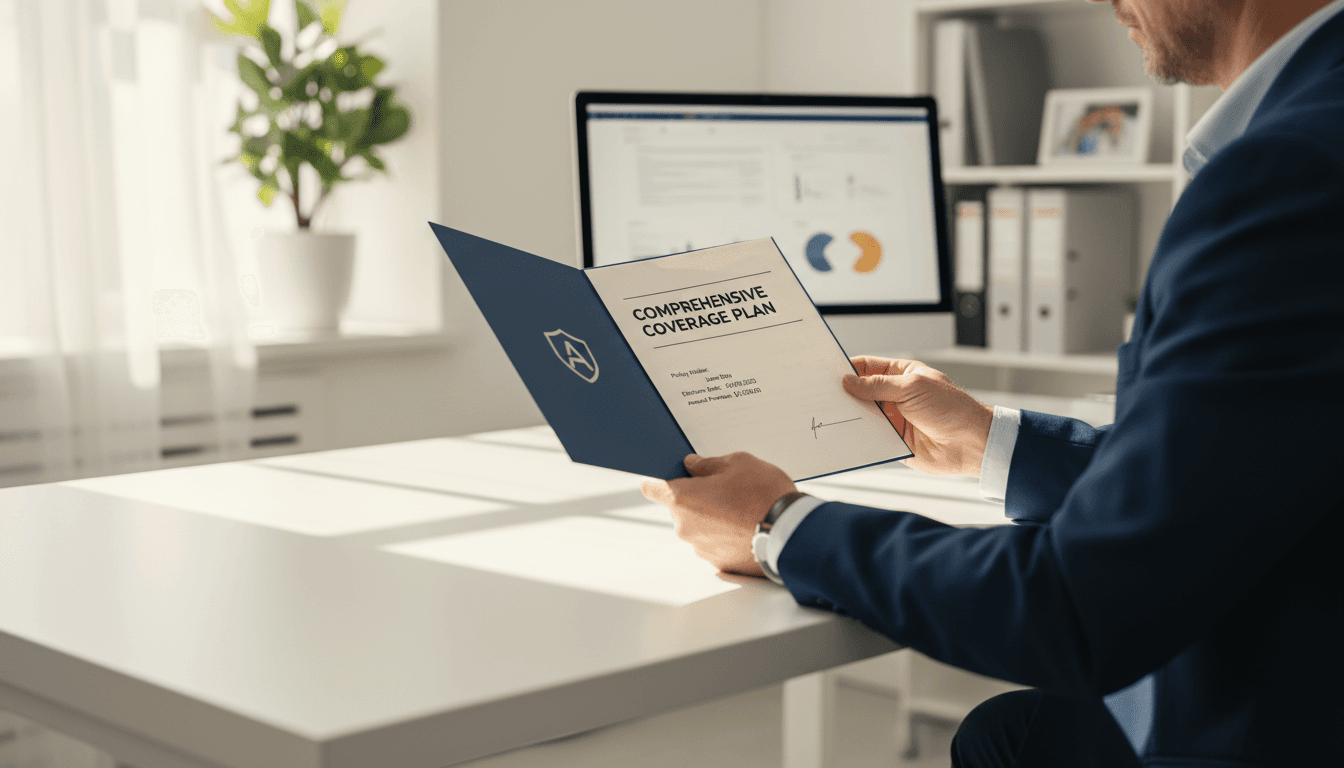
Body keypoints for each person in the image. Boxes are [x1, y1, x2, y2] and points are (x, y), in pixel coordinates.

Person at [640, 0, 1344, 764]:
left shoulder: (1289, 171)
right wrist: (989, 441)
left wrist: (779, 527)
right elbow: (1234, 468)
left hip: (1280, 720)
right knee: (1006, 735)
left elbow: (1084, 607)